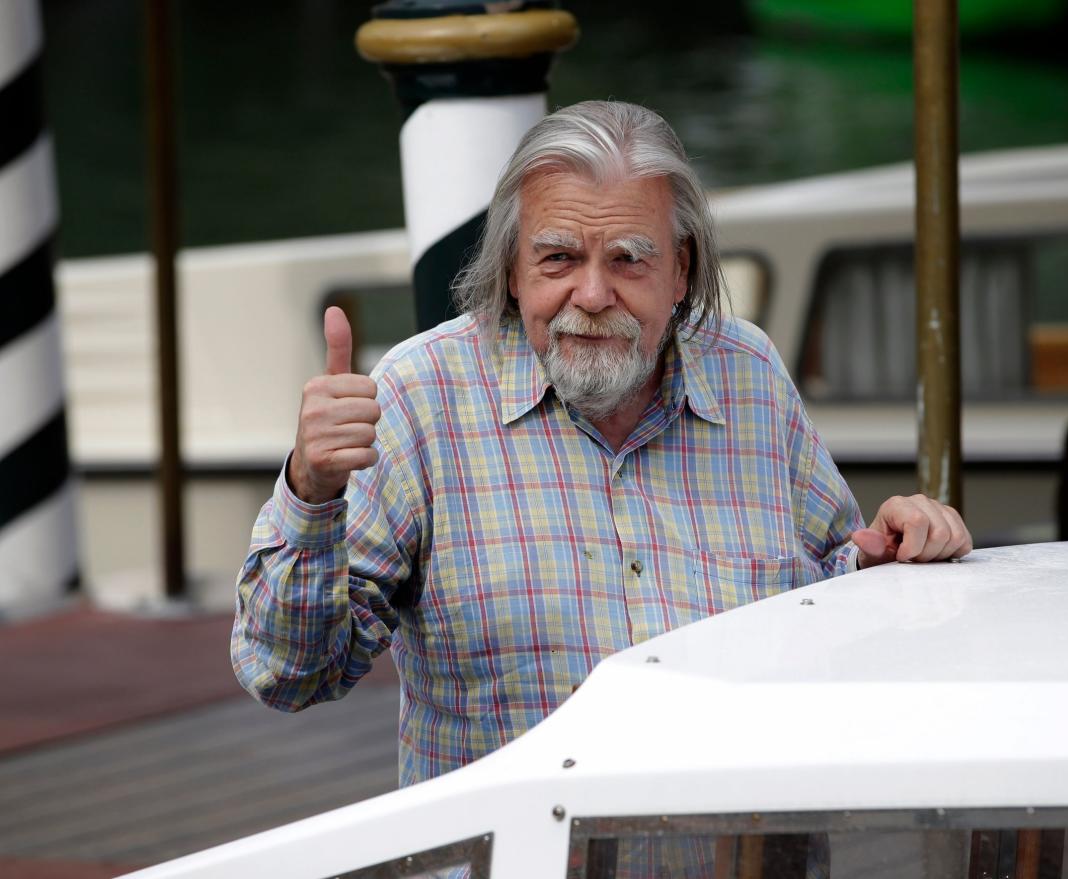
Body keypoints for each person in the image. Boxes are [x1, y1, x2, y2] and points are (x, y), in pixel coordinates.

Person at [232, 101, 971, 795]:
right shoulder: (422, 396)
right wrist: (312, 488)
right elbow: (289, 672)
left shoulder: (746, 373)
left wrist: (889, 555)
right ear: (512, 272)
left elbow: (830, 584)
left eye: (627, 260)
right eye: (557, 259)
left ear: (681, 271)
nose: (591, 294)